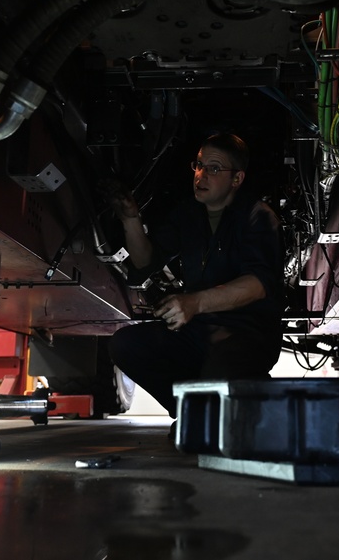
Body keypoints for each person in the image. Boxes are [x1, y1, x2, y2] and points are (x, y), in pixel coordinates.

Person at [107, 132, 283, 418]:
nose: (201, 175)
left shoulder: (257, 216)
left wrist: (195, 303)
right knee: (125, 344)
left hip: (247, 334)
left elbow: (259, 284)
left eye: (214, 169)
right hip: (200, 331)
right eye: (199, 165)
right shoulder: (189, 214)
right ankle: (191, 415)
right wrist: (130, 219)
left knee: (221, 371)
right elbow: (146, 261)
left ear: (236, 179)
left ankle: (233, 406)